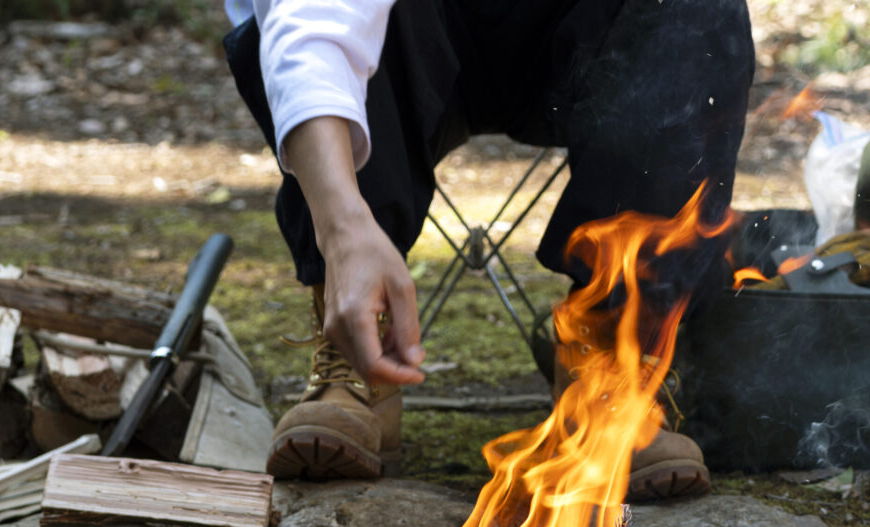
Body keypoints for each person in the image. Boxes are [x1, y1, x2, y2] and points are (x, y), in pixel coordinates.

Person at [223, 0, 755, 500]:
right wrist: (342, 230)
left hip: (584, 42)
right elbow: (310, 29)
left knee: (693, 9)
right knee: (311, 48)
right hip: (410, 40)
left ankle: (613, 359)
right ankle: (359, 354)